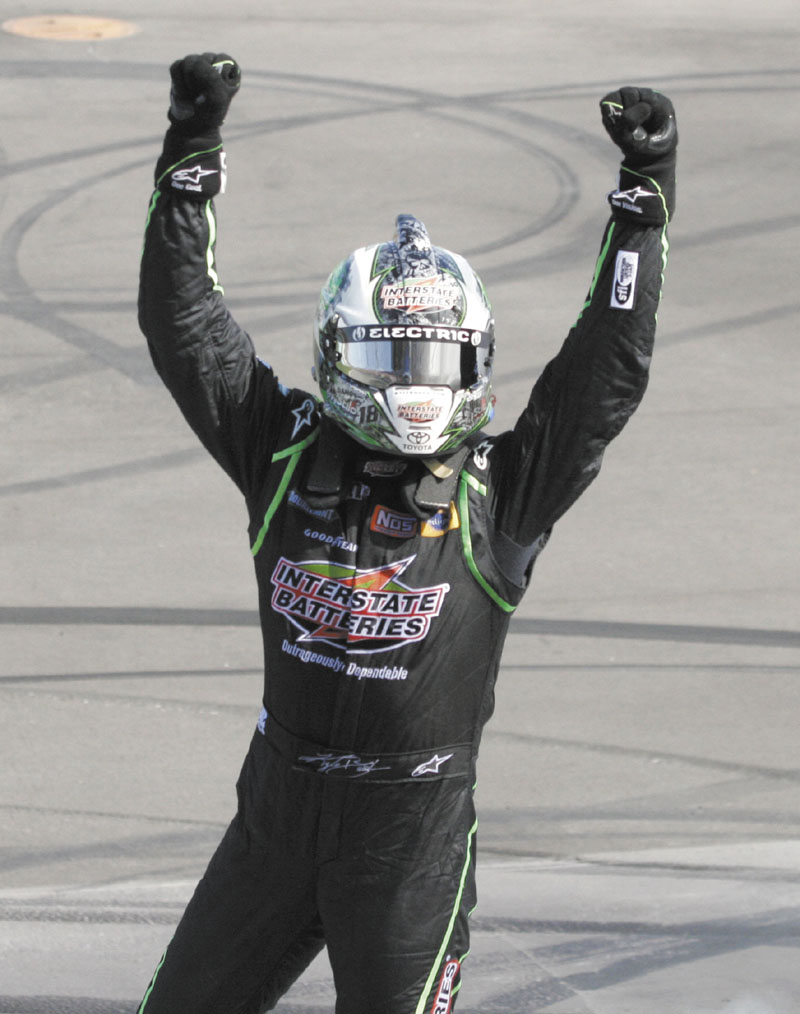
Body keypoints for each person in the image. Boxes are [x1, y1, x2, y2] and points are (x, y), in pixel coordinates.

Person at [136, 53, 677, 1014]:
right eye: (395, 357)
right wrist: (191, 143)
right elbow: (184, 324)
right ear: (342, 356)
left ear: (477, 359)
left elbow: (607, 370)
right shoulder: (281, 449)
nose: (421, 382)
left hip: (411, 837)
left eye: (443, 356)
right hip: (277, 815)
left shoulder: (505, 488)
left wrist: (645, 198)